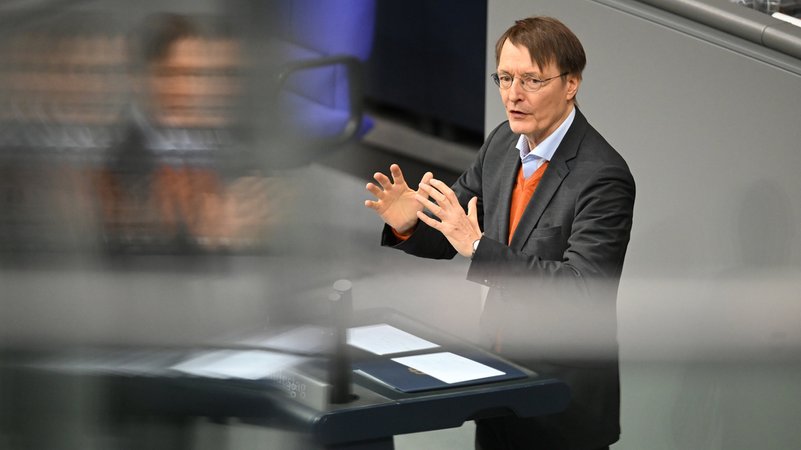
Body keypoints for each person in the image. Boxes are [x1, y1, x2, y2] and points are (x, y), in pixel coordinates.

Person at [364, 16, 635, 450]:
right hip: (498, 382)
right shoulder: (502, 146)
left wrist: (478, 247)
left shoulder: (602, 176)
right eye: (505, 78)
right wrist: (409, 222)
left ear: (571, 85)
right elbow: (453, 228)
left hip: (559, 403)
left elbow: (582, 292)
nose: (514, 94)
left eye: (531, 80)